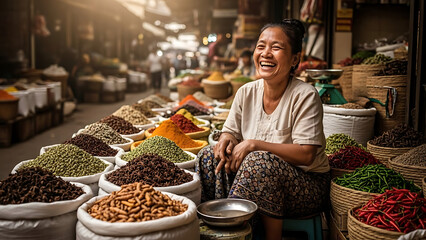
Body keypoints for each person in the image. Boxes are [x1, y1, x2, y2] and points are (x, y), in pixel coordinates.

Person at [195, 19, 330, 240]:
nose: (266, 53)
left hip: (306, 186)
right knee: (209, 156)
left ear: (295, 58)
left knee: (259, 162)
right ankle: (218, 229)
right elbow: (231, 131)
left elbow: (307, 154)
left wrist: (254, 145)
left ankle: (260, 235)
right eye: (261, 46)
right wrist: (227, 140)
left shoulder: (305, 95)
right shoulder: (246, 92)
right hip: (257, 177)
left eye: (276, 48)